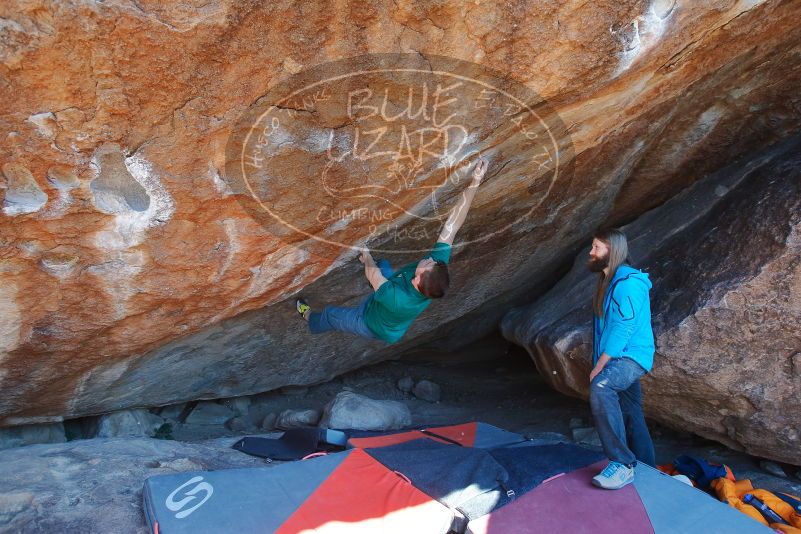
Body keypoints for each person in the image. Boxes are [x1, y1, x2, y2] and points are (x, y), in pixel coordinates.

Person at [296, 158, 489, 344]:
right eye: (433, 262)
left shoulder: (399, 300)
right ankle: (379, 287)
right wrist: (476, 181)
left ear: (417, 280)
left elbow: (372, 274)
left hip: (370, 323)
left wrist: (367, 255)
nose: (430, 259)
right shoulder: (436, 270)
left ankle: (309, 317)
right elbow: (453, 225)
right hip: (387, 297)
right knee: (384, 266)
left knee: (332, 315)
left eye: (427, 264)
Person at [586, 228, 657, 490]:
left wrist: (600, 365)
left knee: (602, 387)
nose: (591, 253)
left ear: (611, 252)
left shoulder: (627, 285)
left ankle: (622, 463)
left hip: (629, 356)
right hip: (621, 356)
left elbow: (623, 329)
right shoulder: (610, 281)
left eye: (596, 248)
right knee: (630, 411)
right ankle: (649, 469)